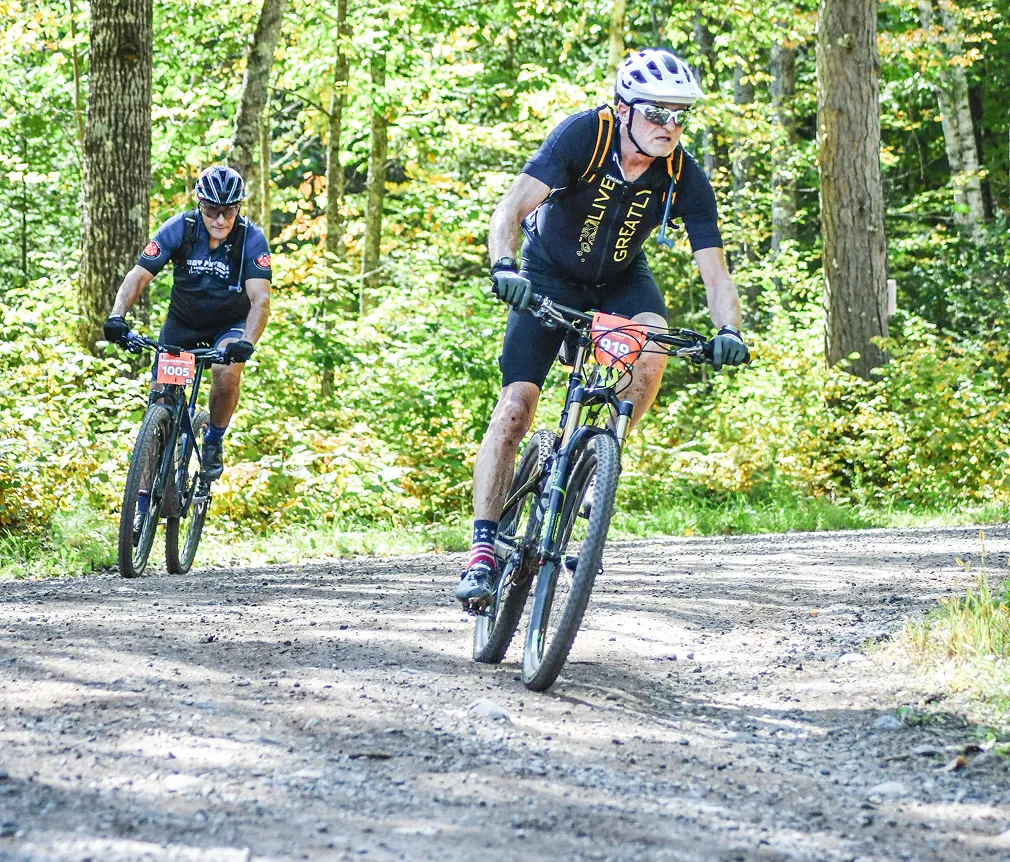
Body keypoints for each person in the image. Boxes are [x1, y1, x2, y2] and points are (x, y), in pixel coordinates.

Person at [456, 48, 750, 607]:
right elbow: (510, 209)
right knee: (516, 406)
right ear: (624, 110)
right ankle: (483, 547)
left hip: (619, 280)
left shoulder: (684, 173)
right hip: (545, 272)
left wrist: (728, 330)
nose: (670, 126)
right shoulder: (583, 137)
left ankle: (599, 462)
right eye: (657, 113)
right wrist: (503, 266)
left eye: (679, 114)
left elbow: (715, 270)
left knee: (653, 345)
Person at [103, 165, 272, 480]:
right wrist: (117, 316)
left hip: (228, 325)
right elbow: (138, 276)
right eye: (211, 210)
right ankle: (141, 504)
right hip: (183, 324)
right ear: (199, 204)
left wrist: (246, 342)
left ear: (238, 208)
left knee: (225, 374)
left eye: (228, 210)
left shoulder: (252, 239)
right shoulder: (180, 228)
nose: (219, 219)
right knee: (161, 397)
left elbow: (260, 299)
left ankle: (213, 440)